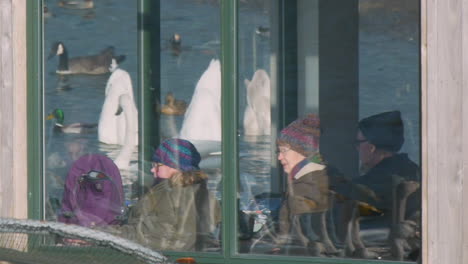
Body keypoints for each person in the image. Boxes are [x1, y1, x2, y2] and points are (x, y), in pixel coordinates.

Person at [99, 138, 220, 252]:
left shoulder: (174, 197)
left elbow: (150, 238)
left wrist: (97, 234)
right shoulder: (195, 192)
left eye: (157, 165)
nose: (153, 170)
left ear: (175, 167)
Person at [345, 110, 421, 259]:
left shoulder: (371, 184)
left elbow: (339, 219)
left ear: (372, 147)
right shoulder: (415, 172)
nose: (357, 148)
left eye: (358, 143)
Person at [273, 114, 337, 256]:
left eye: (283, 151)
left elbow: (300, 237)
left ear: (302, 151)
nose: (279, 157)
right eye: (278, 151)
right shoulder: (322, 177)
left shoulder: (305, 187)